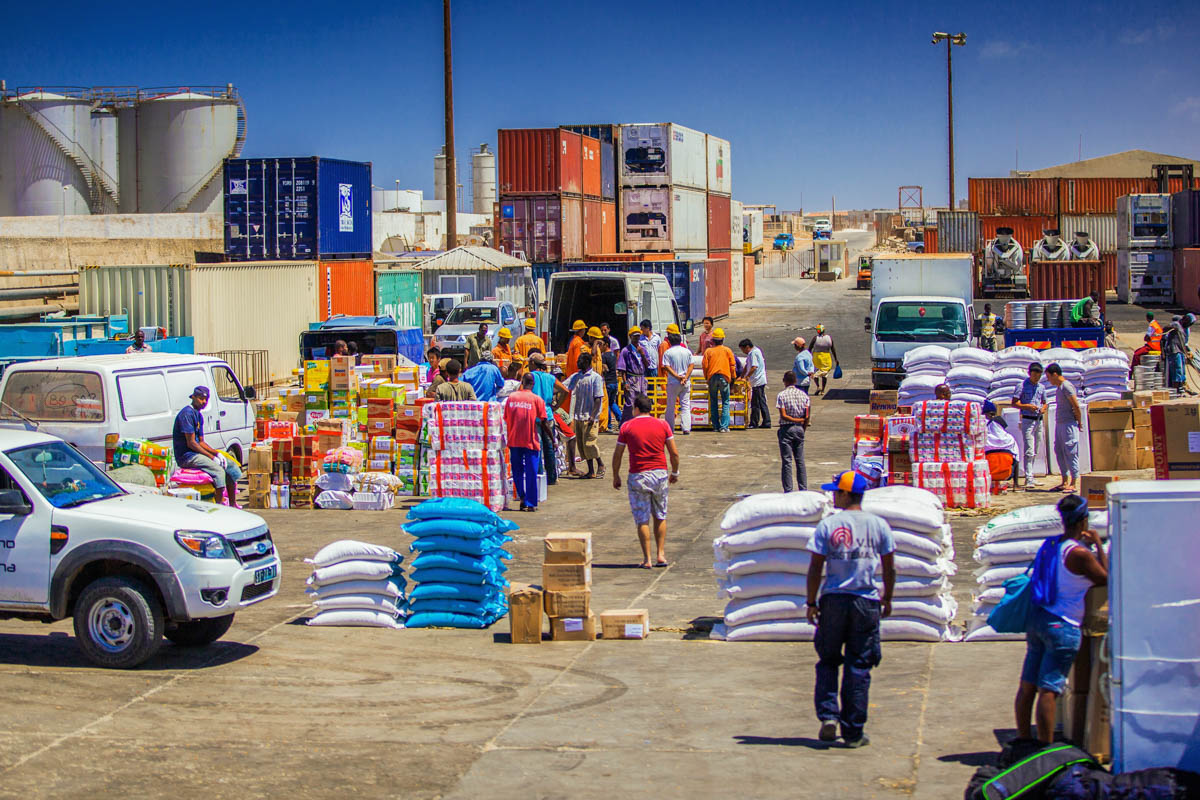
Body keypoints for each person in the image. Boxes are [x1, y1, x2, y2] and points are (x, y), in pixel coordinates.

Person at [806, 470, 895, 748]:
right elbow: (890, 565)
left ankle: (829, 717)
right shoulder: (878, 525)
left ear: (846, 494)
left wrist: (811, 602)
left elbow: (816, 566)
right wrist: (888, 597)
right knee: (859, 666)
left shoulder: (829, 526)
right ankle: (854, 731)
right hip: (865, 602)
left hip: (833, 601)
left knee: (829, 660)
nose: (833, 495)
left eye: (836, 491)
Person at [1014, 494, 1107, 745]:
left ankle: (1023, 741)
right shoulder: (1079, 554)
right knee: (1049, 689)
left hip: (1038, 619)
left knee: (1028, 685)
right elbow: (1105, 578)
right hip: (1062, 625)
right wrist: (1097, 544)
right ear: (1083, 521)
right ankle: (1046, 751)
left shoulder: (1050, 545)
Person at [611, 394, 680, 569]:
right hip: (659, 474)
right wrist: (675, 472)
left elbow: (618, 454)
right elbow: (674, 453)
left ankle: (647, 558)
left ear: (636, 409)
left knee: (642, 519)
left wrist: (616, 475)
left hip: (638, 475)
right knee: (660, 514)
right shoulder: (663, 425)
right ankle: (661, 554)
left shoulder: (627, 427)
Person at [173, 386, 242, 508]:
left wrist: (217, 454)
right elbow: (191, 443)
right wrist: (211, 457)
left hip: (196, 453)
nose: (204, 402)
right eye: (201, 399)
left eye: (206, 399)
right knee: (218, 471)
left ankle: (232, 504)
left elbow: (201, 442)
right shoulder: (187, 414)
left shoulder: (198, 415)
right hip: (187, 456)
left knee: (229, 465)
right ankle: (219, 506)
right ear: (193, 397)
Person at [503, 374, 548, 512]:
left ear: (522, 382)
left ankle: (522, 497)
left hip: (514, 439)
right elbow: (544, 420)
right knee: (531, 472)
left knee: (517, 471)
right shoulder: (537, 400)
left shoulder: (511, 398)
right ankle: (530, 502)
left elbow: (506, 417)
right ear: (533, 384)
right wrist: (551, 438)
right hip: (530, 440)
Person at [529, 353, 569, 486]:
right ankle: (552, 477)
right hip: (548, 414)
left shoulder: (530, 376)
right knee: (550, 446)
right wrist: (556, 406)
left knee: (537, 446)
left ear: (533, 364)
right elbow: (565, 391)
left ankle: (540, 475)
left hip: (534, 415)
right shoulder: (550, 378)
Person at [566, 353, 606, 478]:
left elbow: (598, 398)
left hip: (590, 416)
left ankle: (600, 464)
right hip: (579, 415)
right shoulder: (576, 376)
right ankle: (591, 471)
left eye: (580, 361)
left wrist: (593, 415)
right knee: (582, 445)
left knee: (590, 443)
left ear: (587, 362)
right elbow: (564, 385)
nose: (577, 363)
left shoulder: (595, 378)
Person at [1044, 363, 1080, 493]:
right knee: (1059, 451)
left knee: (1071, 451)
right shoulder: (1059, 388)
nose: (1048, 380)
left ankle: (1074, 482)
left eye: (1048, 377)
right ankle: (1064, 481)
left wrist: (1079, 422)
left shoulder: (1067, 386)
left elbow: (1076, 406)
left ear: (1055, 374)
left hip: (1068, 424)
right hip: (1060, 424)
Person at [1012, 363, 1047, 491]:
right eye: (1034, 375)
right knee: (1029, 449)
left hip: (1039, 420)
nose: (1036, 377)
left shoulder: (1041, 387)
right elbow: (1014, 403)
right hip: (1027, 419)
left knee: (1036, 449)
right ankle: (1028, 477)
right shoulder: (1021, 386)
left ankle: (1031, 474)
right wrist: (1027, 407)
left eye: (1039, 375)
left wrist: (1043, 409)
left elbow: (1044, 402)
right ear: (1030, 373)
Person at [776, 370, 811, 492]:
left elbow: (783, 415)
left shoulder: (782, 395)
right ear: (795, 381)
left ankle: (788, 490)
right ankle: (803, 488)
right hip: (799, 428)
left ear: (784, 381)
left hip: (786, 428)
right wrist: (802, 426)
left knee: (787, 461)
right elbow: (807, 416)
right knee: (800, 460)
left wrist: (794, 420)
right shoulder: (804, 396)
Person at [702, 328, 737, 432]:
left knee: (713, 401)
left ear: (713, 340)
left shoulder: (708, 351)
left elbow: (705, 366)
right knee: (725, 401)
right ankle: (724, 426)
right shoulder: (727, 350)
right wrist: (733, 378)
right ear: (723, 339)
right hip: (724, 377)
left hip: (712, 377)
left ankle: (716, 426)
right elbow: (732, 366)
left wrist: (707, 378)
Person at [661, 328, 694, 435]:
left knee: (670, 406)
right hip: (685, 382)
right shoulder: (687, 351)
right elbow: (691, 365)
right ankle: (686, 428)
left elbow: (666, 366)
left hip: (673, 382)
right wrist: (685, 377)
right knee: (685, 405)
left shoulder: (668, 352)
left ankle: (670, 429)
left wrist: (677, 376)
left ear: (669, 341)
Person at [983, 400, 1019, 491]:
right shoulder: (1010, 440)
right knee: (1015, 458)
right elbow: (1017, 460)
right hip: (1007, 475)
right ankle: (1016, 485)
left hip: (988, 475)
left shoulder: (984, 441)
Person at [617, 327, 649, 423]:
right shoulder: (626, 351)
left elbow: (647, 365)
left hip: (642, 379)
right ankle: (626, 423)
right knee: (630, 403)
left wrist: (642, 354)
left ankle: (641, 422)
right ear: (630, 337)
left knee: (643, 402)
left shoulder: (643, 349)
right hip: (631, 378)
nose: (636, 339)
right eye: (634, 337)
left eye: (638, 336)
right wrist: (625, 382)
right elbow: (622, 368)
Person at [739, 338, 770, 428]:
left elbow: (754, 366)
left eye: (743, 349)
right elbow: (747, 366)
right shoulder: (753, 352)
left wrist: (747, 377)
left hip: (758, 381)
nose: (743, 351)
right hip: (756, 381)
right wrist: (742, 376)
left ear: (747, 347)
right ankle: (758, 421)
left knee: (758, 403)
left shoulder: (753, 353)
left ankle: (759, 422)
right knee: (757, 402)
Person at [809, 324, 839, 395]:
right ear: (824, 330)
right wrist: (836, 359)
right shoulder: (829, 338)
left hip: (817, 358)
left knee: (816, 372)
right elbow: (833, 349)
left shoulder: (815, 338)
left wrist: (808, 358)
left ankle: (818, 386)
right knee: (824, 374)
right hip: (826, 358)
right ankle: (823, 390)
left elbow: (809, 349)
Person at [601, 339, 621, 433]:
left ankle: (608, 424)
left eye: (602, 345)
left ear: (606, 345)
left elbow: (605, 368)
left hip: (608, 382)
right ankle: (620, 419)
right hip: (615, 382)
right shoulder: (613, 355)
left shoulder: (604, 356)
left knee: (607, 404)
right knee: (612, 402)